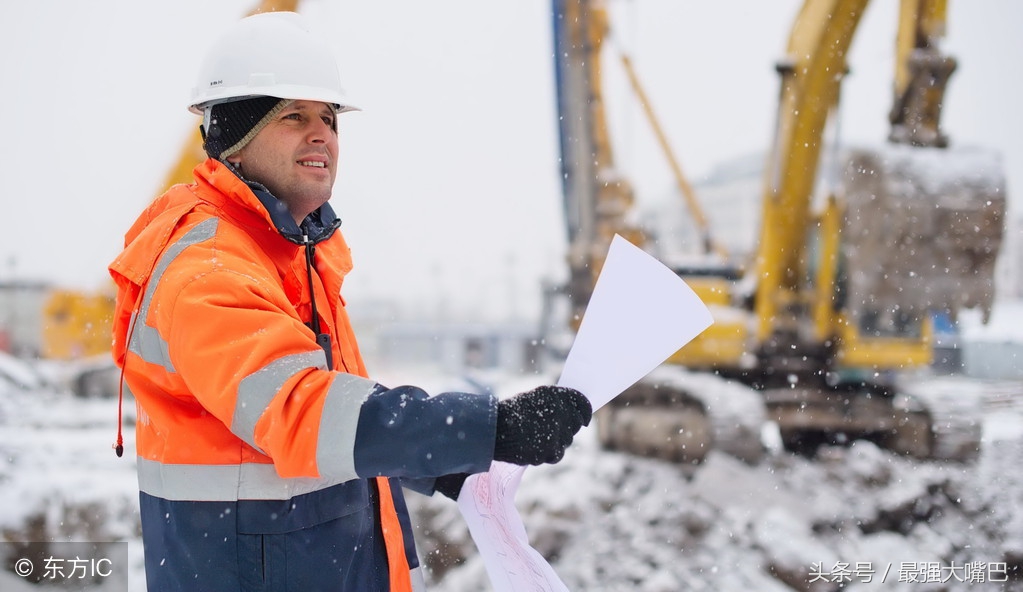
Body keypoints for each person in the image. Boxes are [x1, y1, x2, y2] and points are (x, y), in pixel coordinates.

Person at [108, 11, 591, 592]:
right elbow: (304, 412)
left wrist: (441, 465)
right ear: (234, 135)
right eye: (293, 115)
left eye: (330, 118)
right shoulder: (209, 270)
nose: (322, 135)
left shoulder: (290, 253)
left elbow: (338, 417)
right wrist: (488, 428)